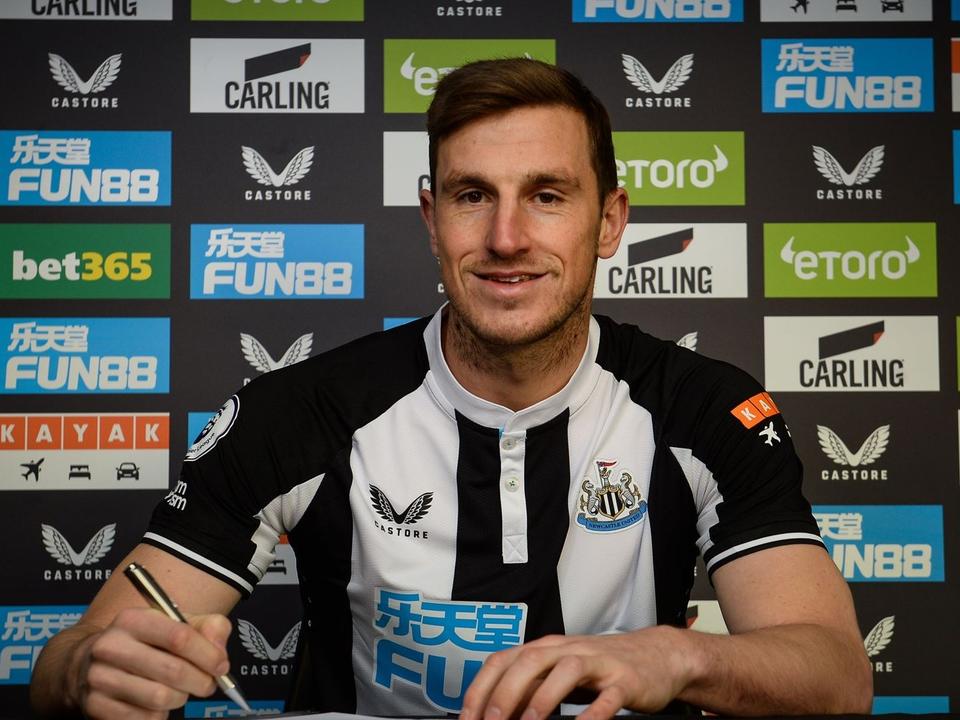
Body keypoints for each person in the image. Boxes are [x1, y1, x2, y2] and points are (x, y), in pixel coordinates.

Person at [30, 58, 872, 720]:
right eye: (473, 196)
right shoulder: (300, 412)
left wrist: (676, 656)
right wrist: (90, 669)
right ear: (432, 219)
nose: (507, 237)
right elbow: (69, 665)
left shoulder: (703, 409)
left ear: (610, 220)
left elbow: (837, 675)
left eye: (547, 196)